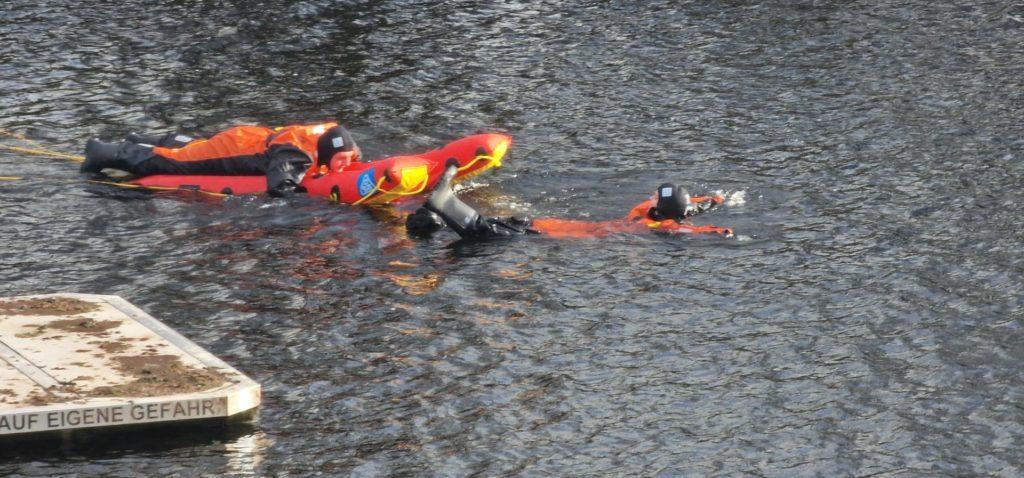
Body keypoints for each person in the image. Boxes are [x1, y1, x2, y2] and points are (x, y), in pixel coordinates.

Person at [406, 165, 733, 240]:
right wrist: (716, 207)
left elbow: (689, 221)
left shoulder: (647, 218)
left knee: (489, 230)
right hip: (552, 230)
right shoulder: (653, 219)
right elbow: (691, 216)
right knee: (491, 228)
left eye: (656, 197)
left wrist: (715, 220)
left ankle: (441, 205)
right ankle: (437, 212)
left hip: (549, 230)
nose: (651, 196)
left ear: (659, 207)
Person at [80, 122, 360, 196]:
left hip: (253, 136)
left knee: (195, 147)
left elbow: (349, 151)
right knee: (178, 161)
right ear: (328, 152)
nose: (346, 164)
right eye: (341, 160)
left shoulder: (335, 136)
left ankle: (143, 137)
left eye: (348, 159)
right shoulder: (296, 153)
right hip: (236, 148)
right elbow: (280, 187)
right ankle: (104, 152)